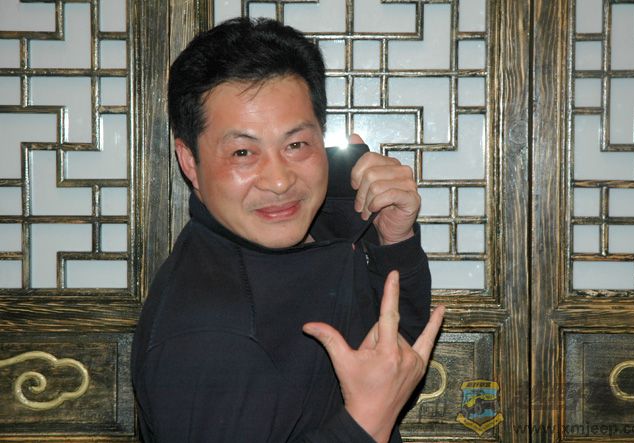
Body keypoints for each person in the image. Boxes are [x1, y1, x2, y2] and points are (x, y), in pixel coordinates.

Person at [131, 17, 445, 443]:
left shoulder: (319, 228)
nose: (279, 181)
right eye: (243, 152)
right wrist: (365, 423)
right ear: (189, 162)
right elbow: (374, 403)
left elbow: (388, 365)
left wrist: (394, 240)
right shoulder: (205, 338)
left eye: (296, 145)